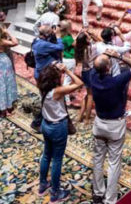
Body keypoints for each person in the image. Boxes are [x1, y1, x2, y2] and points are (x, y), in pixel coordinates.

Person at [90, 50, 131, 204]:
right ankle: (110, 199)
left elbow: (94, 65)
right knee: (113, 162)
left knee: (98, 159)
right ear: (108, 68)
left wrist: (103, 57)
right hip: (115, 125)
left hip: (99, 123)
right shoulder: (116, 81)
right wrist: (118, 56)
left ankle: (98, 192)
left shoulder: (92, 78)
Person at [38, 63, 83, 202]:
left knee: (46, 155)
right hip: (57, 127)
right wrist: (67, 71)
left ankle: (43, 184)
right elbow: (79, 83)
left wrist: (53, 69)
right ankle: (55, 193)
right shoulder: (57, 92)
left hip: (46, 124)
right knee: (57, 159)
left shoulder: (42, 87)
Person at [31, 24, 64, 131]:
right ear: (46, 35)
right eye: (50, 32)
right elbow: (60, 47)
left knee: (46, 98)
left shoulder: (37, 40)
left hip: (41, 73)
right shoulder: (43, 44)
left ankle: (43, 120)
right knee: (47, 100)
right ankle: (37, 123)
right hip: (44, 75)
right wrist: (58, 36)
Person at [75, 29, 101, 124]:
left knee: (87, 94)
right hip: (90, 72)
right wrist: (93, 34)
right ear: (86, 40)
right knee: (91, 96)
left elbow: (76, 41)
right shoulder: (91, 48)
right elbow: (101, 42)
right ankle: (86, 118)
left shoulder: (79, 47)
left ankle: (80, 115)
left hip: (84, 72)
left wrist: (84, 34)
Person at [59, 20, 76, 105]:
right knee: (67, 80)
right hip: (70, 60)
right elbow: (75, 44)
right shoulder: (68, 38)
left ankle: (64, 96)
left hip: (65, 59)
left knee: (67, 78)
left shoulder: (63, 36)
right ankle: (66, 99)